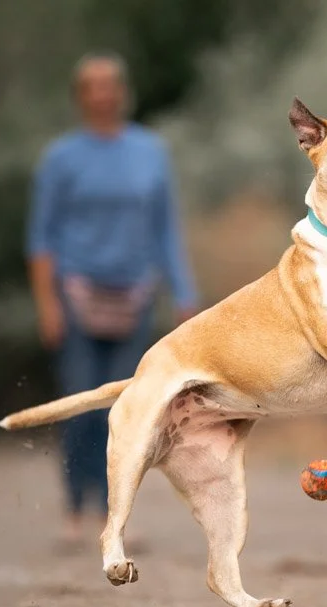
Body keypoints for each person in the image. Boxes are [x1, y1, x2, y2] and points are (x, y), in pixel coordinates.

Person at [26, 52, 200, 549]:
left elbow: (166, 228)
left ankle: (113, 515)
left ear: (122, 92)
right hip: (76, 294)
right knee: (80, 405)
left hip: (135, 296)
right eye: (92, 86)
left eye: (110, 85)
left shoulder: (150, 152)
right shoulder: (61, 159)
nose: (102, 94)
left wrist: (184, 291)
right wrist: (47, 305)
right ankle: (74, 510)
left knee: (125, 411)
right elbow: (42, 239)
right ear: (81, 97)